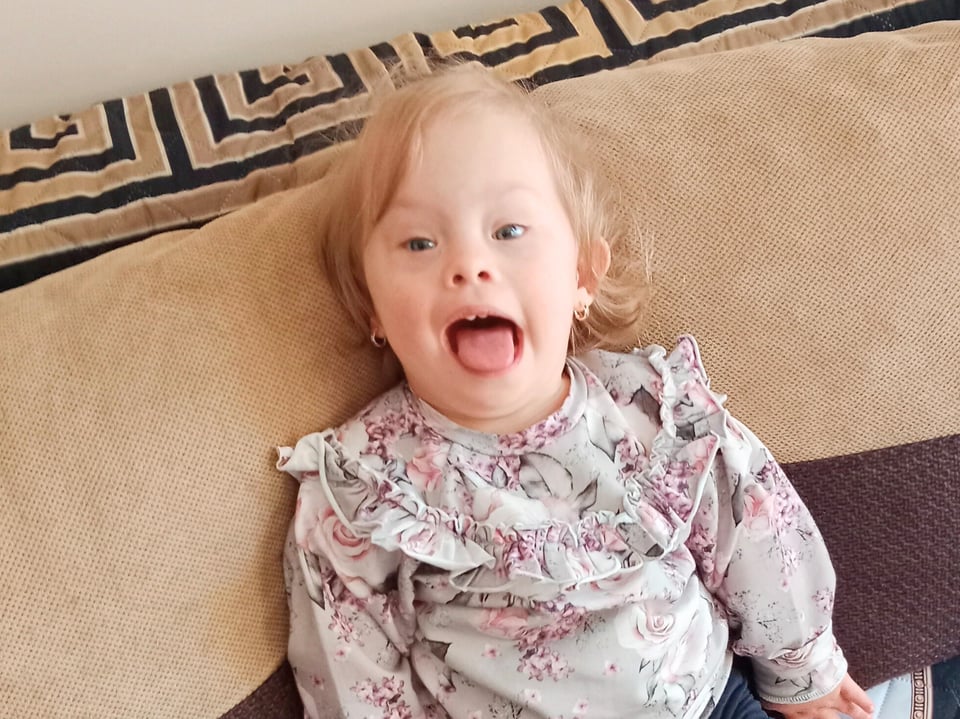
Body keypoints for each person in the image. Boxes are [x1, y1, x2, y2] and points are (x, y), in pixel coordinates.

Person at [277, 63, 874, 719]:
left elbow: (758, 531)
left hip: (705, 700)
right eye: (419, 242)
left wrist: (803, 672)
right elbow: (355, 679)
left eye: (508, 232)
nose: (469, 265)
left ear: (582, 275)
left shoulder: (649, 409)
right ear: (373, 307)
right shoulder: (363, 489)